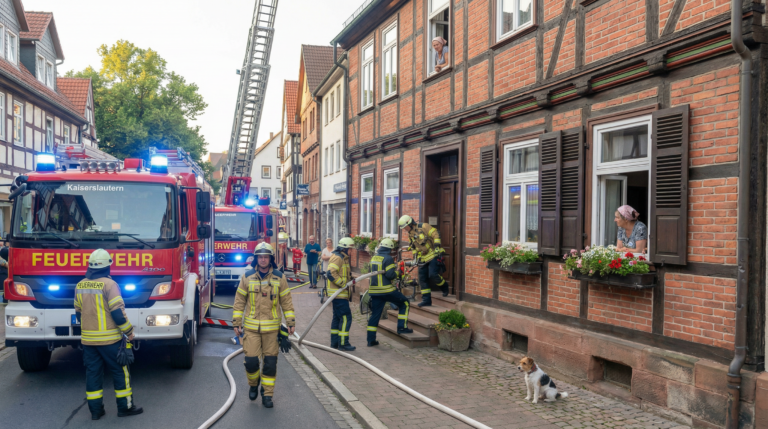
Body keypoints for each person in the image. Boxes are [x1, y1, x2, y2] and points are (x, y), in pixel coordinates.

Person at [74, 249, 142, 420]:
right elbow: (118, 314)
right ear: (108, 266)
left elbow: (78, 313)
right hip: (110, 340)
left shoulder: (80, 285)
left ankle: (96, 412)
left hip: (88, 341)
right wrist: (129, 331)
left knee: (93, 374)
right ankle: (125, 408)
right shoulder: (110, 285)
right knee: (121, 372)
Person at [232, 242, 296, 408]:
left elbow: (286, 301)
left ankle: (267, 394)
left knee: (270, 364)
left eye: (265, 257)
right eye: (260, 257)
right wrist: (236, 322)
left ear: (270, 259)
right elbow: (239, 301)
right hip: (252, 330)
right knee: (251, 362)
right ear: (256, 259)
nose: (262, 260)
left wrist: (290, 322)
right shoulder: (247, 277)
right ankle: (254, 384)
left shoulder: (279, 278)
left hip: (272, 331)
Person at [366, 238, 412, 347]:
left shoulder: (373, 258)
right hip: (386, 290)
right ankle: (402, 327)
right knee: (404, 303)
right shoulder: (388, 259)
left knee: (375, 315)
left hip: (374, 291)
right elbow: (390, 275)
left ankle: (370, 340)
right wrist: (398, 273)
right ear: (389, 249)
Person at [398, 215, 448, 307]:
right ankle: (426, 300)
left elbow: (435, 234)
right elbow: (414, 247)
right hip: (422, 258)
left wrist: (437, 246)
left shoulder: (423, 226)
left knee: (433, 274)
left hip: (432, 254)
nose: (405, 229)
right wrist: (415, 258)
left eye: (405, 227)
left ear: (410, 223)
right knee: (422, 279)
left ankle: (445, 287)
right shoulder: (410, 234)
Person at [326, 237, 356, 351]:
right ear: (344, 248)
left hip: (338, 294)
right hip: (339, 294)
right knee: (346, 317)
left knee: (337, 318)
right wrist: (343, 284)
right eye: (350, 249)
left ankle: (334, 343)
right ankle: (343, 343)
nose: (351, 251)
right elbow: (330, 273)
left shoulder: (342, 257)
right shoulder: (338, 258)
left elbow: (341, 273)